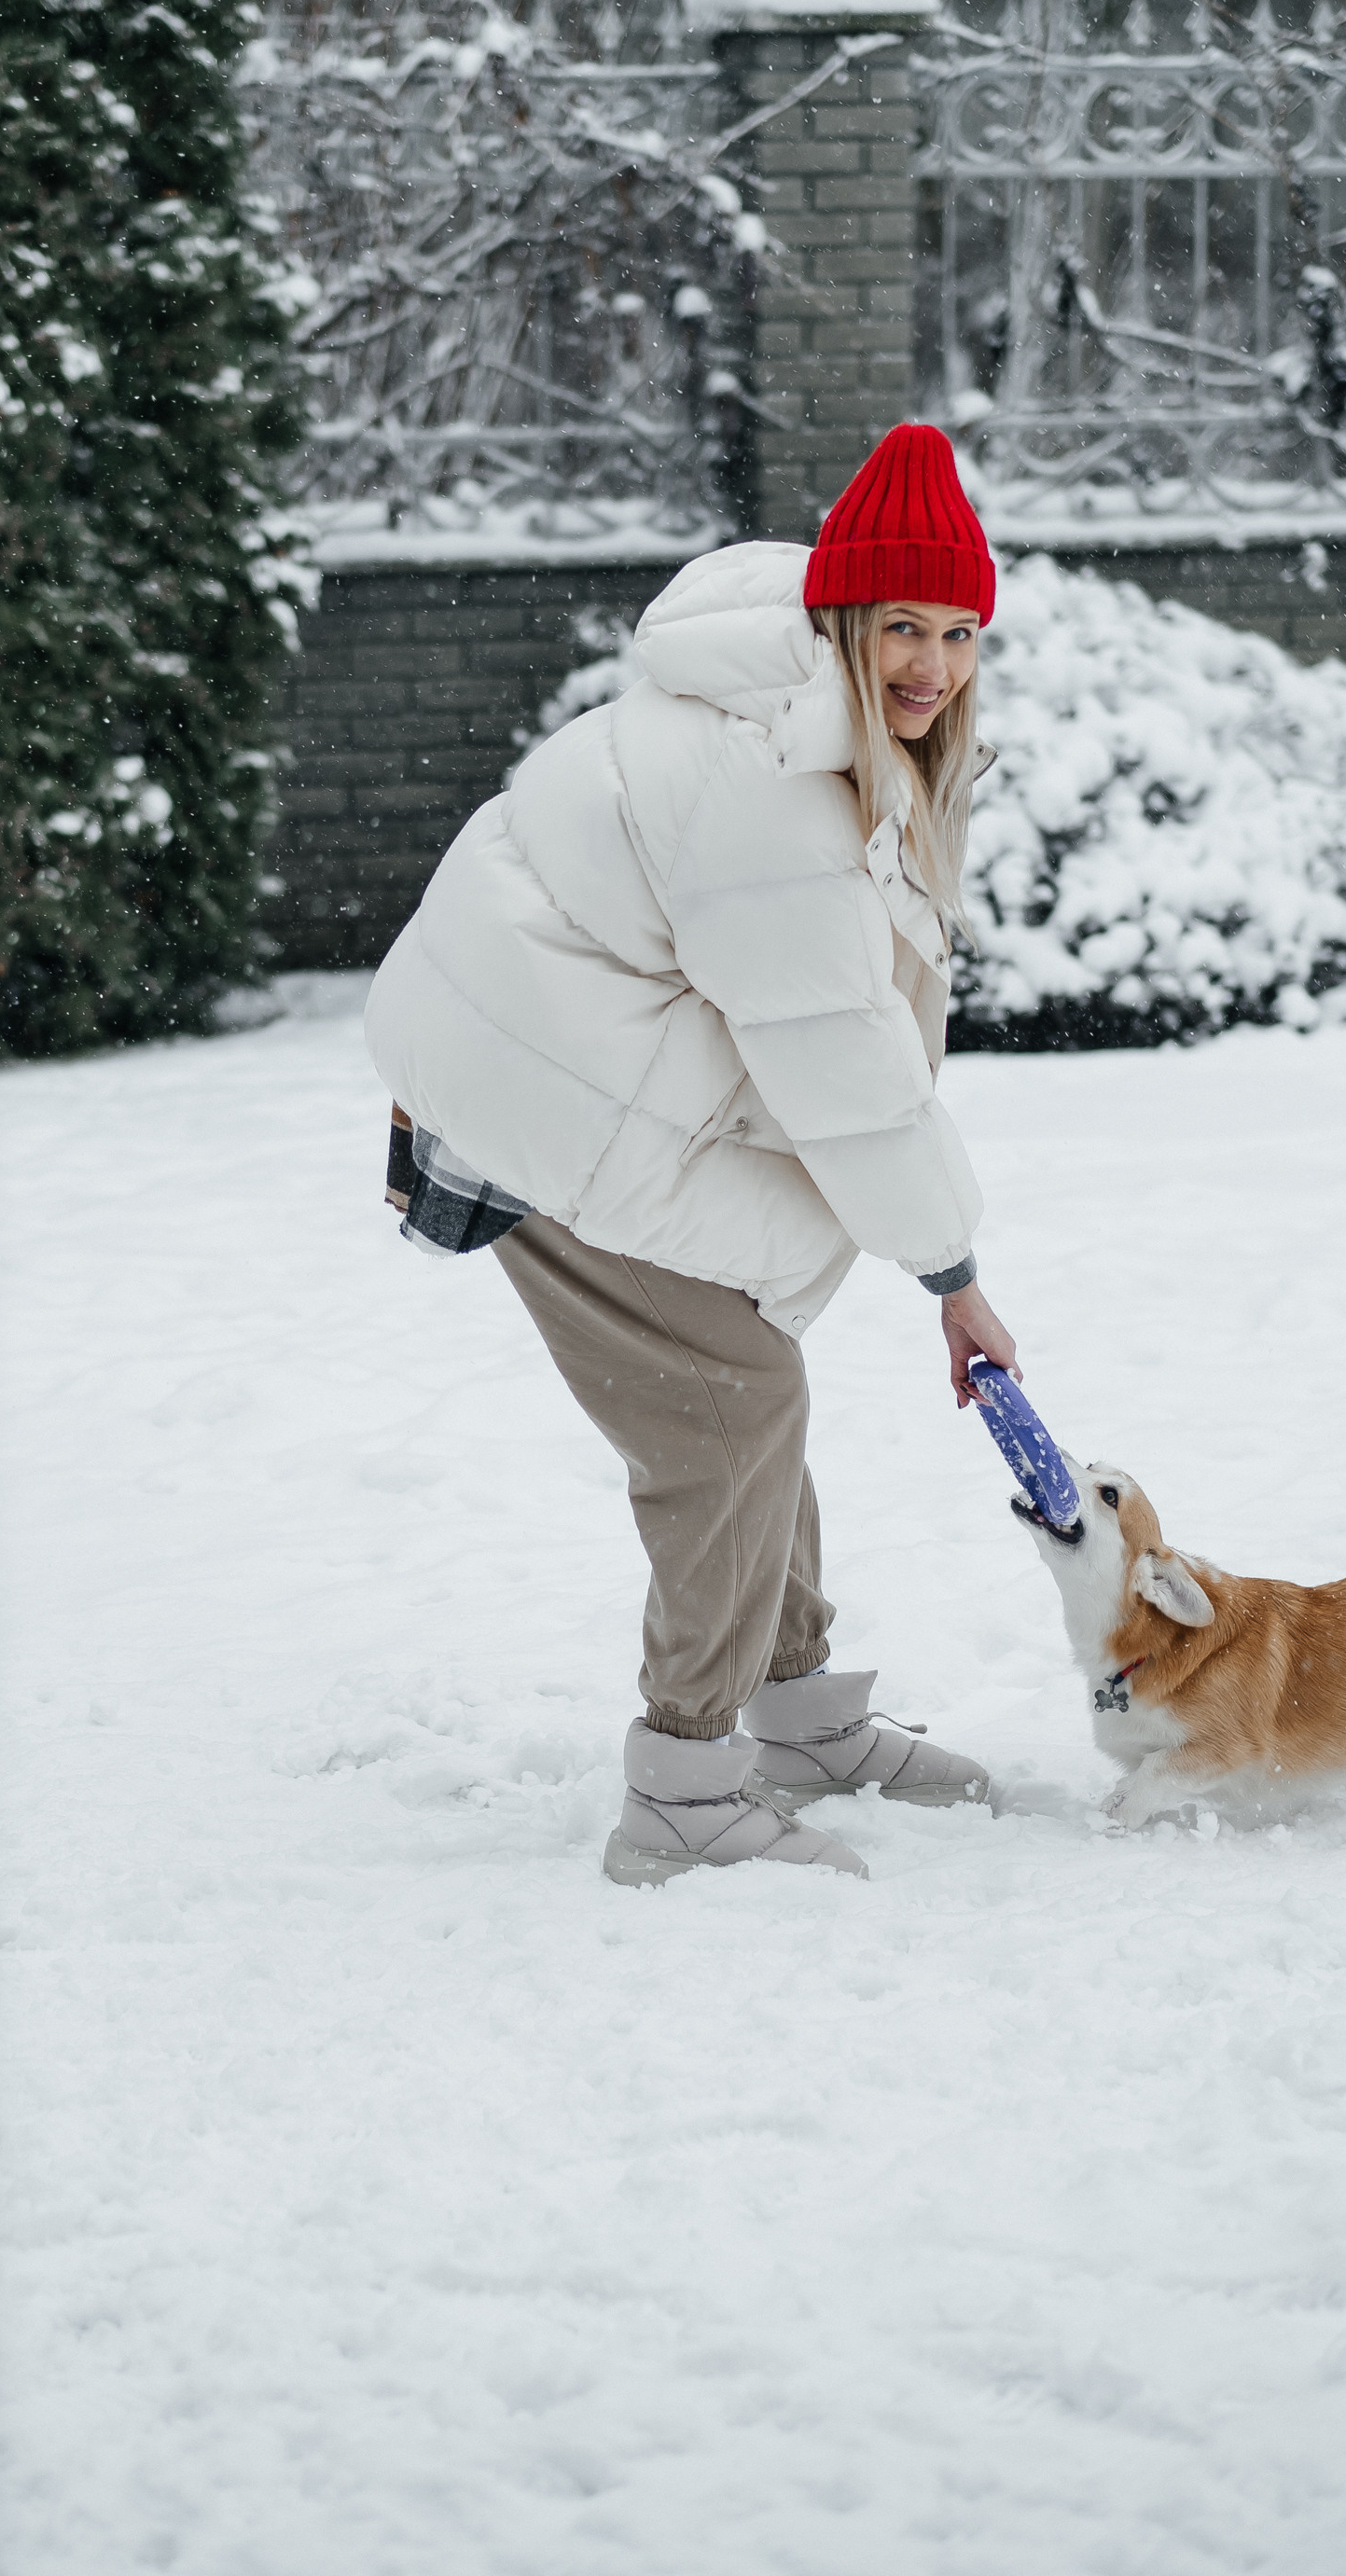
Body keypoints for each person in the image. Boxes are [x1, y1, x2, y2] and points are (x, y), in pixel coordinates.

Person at [366, 423, 1020, 1886]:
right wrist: (953, 1273)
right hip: (522, 1091)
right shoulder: (773, 778)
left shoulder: (805, 722)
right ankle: (682, 1782)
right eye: (902, 627)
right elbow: (841, 1056)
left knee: (745, 1373)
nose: (931, 665)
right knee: (729, 1403)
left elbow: (848, 1036)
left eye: (961, 631)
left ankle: (797, 1714)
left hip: (554, 1055)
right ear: (841, 620)